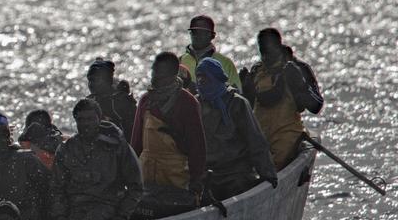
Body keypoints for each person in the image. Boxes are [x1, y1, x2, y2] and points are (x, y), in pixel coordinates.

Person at [51, 98, 144, 220]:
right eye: (81, 120)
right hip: (75, 209)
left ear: (99, 120)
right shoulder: (66, 149)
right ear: (76, 121)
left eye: (90, 119)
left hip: (107, 208)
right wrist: (59, 215)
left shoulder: (116, 145)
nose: (86, 124)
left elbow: (136, 186)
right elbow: (57, 188)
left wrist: (122, 215)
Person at [194, 58, 278, 199]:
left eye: (205, 78)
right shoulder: (196, 104)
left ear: (216, 78)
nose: (201, 82)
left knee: (237, 189)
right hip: (208, 174)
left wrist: (268, 173)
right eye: (199, 78)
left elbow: (255, 141)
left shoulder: (237, 103)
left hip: (236, 172)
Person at [242, 28, 323, 168]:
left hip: (288, 138)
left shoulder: (298, 68)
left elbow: (316, 106)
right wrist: (245, 89)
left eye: (270, 51)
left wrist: (300, 85)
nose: (266, 57)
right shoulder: (257, 70)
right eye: (263, 52)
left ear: (279, 47)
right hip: (261, 138)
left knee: (276, 162)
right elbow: (246, 108)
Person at [130, 53, 206, 201]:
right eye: (153, 72)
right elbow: (136, 143)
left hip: (176, 177)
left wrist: (197, 180)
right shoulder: (146, 100)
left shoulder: (187, 102)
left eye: (160, 76)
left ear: (173, 75)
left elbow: (197, 146)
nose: (154, 79)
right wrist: (130, 174)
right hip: (147, 174)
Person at [0, 111, 54, 220]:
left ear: (9, 136)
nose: (1, 140)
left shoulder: (27, 159)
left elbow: (50, 188)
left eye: (4, 134)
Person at [179, 15, 241, 91]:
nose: (198, 35)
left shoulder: (226, 63)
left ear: (212, 36)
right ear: (190, 33)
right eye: (195, 32)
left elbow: (236, 93)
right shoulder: (179, 61)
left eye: (203, 32)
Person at [86, 58, 137, 138]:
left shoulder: (121, 102)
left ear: (108, 81)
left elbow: (135, 130)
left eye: (95, 80)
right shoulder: (90, 101)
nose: (91, 84)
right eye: (89, 80)